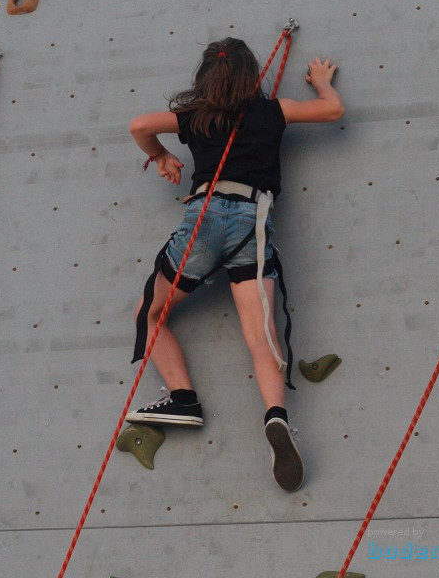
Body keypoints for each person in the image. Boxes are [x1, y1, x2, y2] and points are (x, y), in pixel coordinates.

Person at [125, 36, 343, 492]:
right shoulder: (274, 111)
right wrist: (322, 83)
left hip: (204, 218)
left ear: (205, 78)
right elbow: (332, 111)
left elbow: (140, 123)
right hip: (253, 221)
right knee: (259, 334)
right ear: (250, 74)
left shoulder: (195, 116)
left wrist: (161, 155)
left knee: (151, 314)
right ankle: (276, 417)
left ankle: (183, 399)